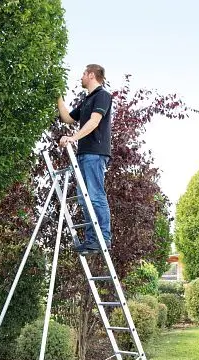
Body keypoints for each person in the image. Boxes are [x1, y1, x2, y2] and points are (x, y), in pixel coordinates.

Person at [57, 64, 113, 254]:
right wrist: (58, 96)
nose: (81, 77)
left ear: (91, 75)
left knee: (95, 196)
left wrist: (73, 138)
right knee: (84, 199)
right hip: (83, 154)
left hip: (95, 153)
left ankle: (103, 238)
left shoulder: (102, 96)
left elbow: (95, 121)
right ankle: (91, 240)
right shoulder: (87, 100)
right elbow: (67, 118)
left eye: (83, 73)